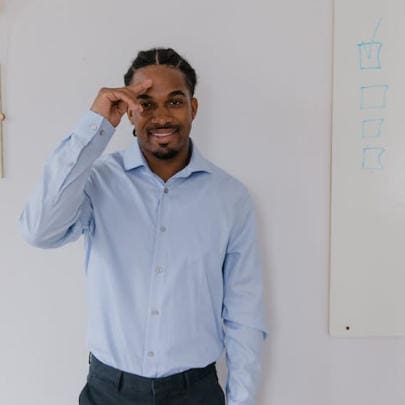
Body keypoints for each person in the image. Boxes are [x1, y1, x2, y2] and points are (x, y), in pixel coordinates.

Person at [19, 48, 268, 405]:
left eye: (175, 101)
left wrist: (240, 400)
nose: (161, 116)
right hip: (108, 391)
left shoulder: (230, 198)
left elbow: (244, 312)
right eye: (146, 103)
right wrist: (96, 125)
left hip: (194, 393)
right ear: (129, 110)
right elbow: (38, 230)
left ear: (193, 109)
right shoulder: (97, 182)